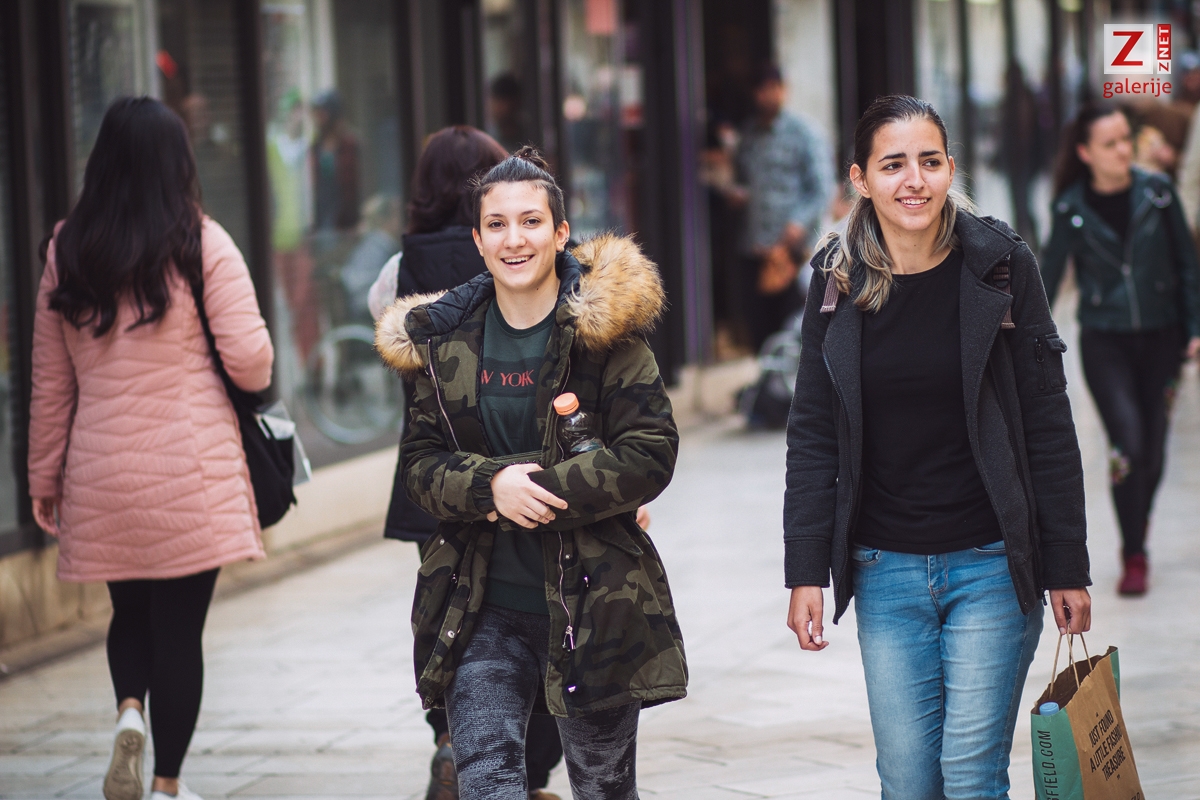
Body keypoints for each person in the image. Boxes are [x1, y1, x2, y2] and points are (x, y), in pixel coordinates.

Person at [783, 95, 1092, 799]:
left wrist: (1067, 565)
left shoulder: (1002, 265)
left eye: (929, 162)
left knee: (970, 776)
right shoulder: (835, 280)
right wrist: (806, 569)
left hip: (992, 564)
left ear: (951, 168)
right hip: (884, 569)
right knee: (908, 782)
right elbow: (813, 432)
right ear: (861, 179)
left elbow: (1048, 423)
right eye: (893, 165)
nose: (913, 181)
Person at [375, 147, 686, 800]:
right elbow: (421, 465)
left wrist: (537, 490)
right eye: (496, 224)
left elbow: (649, 452)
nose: (513, 239)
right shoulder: (447, 342)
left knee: (602, 788)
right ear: (477, 240)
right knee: (487, 783)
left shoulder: (606, 337)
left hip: (595, 603)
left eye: (531, 222)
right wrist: (491, 487)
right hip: (481, 603)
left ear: (560, 233)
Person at [27, 97, 273, 800]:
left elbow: (51, 382)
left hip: (101, 470)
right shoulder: (202, 242)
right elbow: (252, 363)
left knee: (129, 612)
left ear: (101, 161)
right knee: (179, 632)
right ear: (178, 162)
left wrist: (44, 478)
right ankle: (166, 785)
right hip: (189, 469)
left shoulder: (67, 249)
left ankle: (128, 712)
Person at [366, 126, 566, 800]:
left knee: (450, 613)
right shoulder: (532, 257)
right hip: (530, 474)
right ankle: (526, 769)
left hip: (439, 480)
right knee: (538, 616)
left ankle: (452, 739)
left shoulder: (399, 272)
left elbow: (385, 332)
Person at [1041, 103, 1200, 595]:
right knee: (1127, 444)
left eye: (1126, 140)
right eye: (1110, 144)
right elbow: (1046, 278)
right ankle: (1135, 552)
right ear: (1086, 153)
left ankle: (1137, 525)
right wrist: (1024, 338)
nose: (1123, 150)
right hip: (1104, 341)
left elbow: (1188, 265)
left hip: (1164, 339)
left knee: (1151, 450)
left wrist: (1194, 328)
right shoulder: (1070, 209)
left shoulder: (1158, 194)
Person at [727, 63, 833, 351]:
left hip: (792, 252)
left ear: (784, 90)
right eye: (762, 89)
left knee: (794, 331)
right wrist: (738, 194)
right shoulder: (748, 135)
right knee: (758, 331)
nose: (769, 95)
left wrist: (798, 223)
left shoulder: (804, 132)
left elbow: (822, 189)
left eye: (774, 88)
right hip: (755, 248)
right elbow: (742, 181)